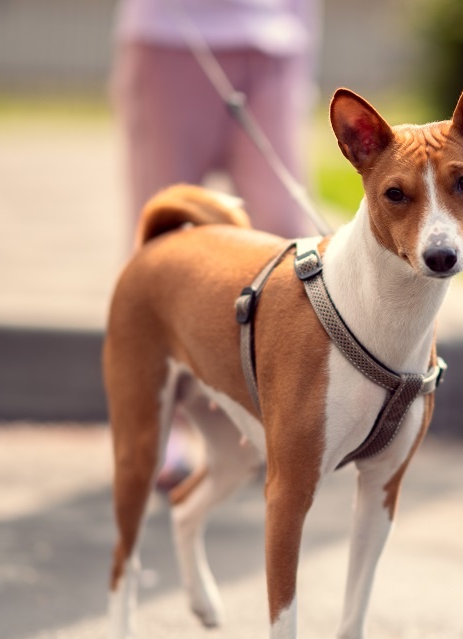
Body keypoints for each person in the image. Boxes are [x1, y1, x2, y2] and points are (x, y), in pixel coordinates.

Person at [110, 0, 322, 488]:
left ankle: (270, 416)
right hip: (170, 35)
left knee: (283, 235)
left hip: (274, 43)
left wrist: (303, 52)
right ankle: (162, 426)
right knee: (163, 237)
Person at [111, 0, 321, 241]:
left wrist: (303, 66)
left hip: (274, 44)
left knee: (283, 228)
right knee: (164, 232)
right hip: (170, 38)